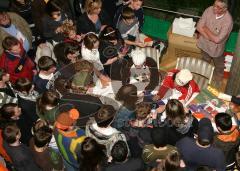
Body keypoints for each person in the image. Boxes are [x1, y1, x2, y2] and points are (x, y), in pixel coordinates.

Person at [196, 0, 233, 86]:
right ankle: (203, 73)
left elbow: (217, 40)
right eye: (214, 5)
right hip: (204, 43)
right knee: (205, 59)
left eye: (218, 7)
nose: (214, 8)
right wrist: (210, 38)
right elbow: (198, 26)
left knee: (219, 64)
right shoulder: (209, 9)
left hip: (217, 48)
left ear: (225, 9)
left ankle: (218, 77)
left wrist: (205, 29)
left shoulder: (228, 21)